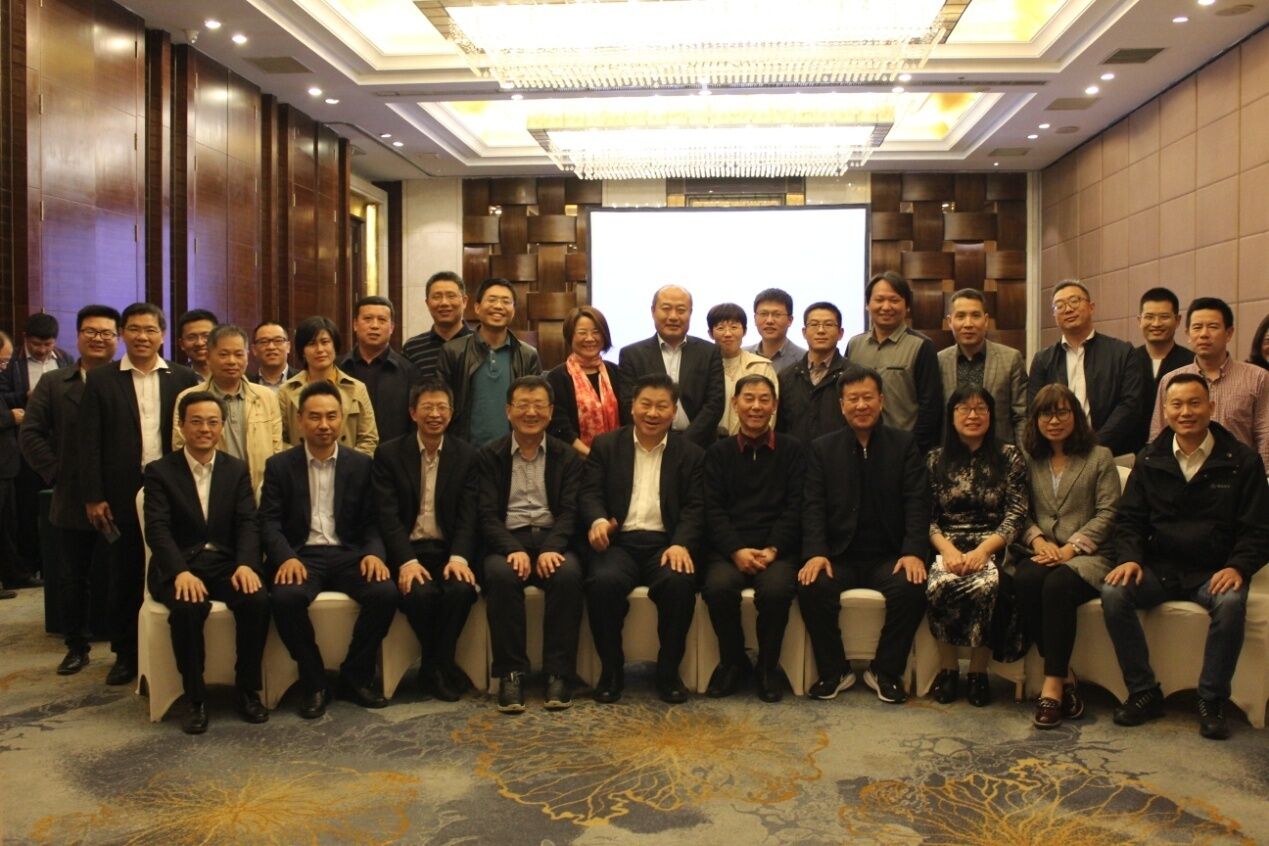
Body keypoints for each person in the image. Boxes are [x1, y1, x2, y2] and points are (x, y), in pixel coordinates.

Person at [1102, 374, 1269, 740]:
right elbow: (1129, 520)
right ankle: (1143, 691)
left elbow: (1258, 530)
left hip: (1214, 571)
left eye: (1195, 403)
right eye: (1177, 404)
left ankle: (1211, 699)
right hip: (1160, 568)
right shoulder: (1150, 458)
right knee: (1114, 593)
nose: (1186, 412)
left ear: (1212, 407)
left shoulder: (1242, 461)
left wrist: (1238, 567)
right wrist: (1129, 558)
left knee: (1230, 603)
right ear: (1165, 411)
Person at [80, 303, 201, 686]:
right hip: (120, 492)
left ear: (162, 336)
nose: (142, 337)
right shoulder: (101, 380)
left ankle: (171, 653)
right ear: (122, 334)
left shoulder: (183, 378)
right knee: (124, 572)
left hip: (174, 491)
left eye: (150, 330)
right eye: (134, 329)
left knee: (173, 566)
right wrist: (93, 495)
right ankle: (125, 654)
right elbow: (88, 442)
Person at [262, 381, 397, 718]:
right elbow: (269, 522)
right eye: (315, 417)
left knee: (384, 592)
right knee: (285, 598)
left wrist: (373, 553)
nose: (324, 425)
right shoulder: (279, 466)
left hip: (348, 553)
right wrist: (286, 557)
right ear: (300, 421)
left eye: (331, 416)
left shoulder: (361, 464)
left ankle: (355, 674)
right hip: (302, 555)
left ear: (341, 419)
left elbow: (373, 521)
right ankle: (314, 681)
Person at [798, 364, 929, 704]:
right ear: (841, 405)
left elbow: (917, 502)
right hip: (838, 555)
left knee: (912, 585)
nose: (861, 405)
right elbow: (812, 505)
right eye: (853, 399)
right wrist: (816, 552)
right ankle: (834, 671)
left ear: (881, 400)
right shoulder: (822, 449)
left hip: (889, 555)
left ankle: (885, 671)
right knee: (812, 584)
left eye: (867, 397)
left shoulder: (904, 445)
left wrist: (913, 551)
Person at [143, 391, 269, 734]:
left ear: (222, 427)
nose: (205, 429)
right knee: (187, 607)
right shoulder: (159, 472)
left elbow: (248, 522)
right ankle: (195, 697)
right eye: (196, 421)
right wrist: (180, 572)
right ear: (181, 426)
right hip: (179, 565)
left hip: (225, 563)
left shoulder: (235, 469)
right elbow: (157, 529)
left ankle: (247, 690)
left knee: (256, 599)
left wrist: (247, 564)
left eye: (213, 422)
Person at [583, 374, 705, 704]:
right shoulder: (606, 445)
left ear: (674, 411)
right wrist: (597, 521)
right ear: (632, 407)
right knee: (602, 582)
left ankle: (668, 673)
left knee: (679, 582)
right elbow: (590, 493)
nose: (652, 413)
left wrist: (681, 543)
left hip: (666, 544)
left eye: (661, 406)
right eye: (646, 404)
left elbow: (696, 507)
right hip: (618, 542)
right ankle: (611, 671)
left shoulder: (691, 453)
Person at [20, 305, 121, 671]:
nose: (98, 338)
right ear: (77, 336)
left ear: (117, 339)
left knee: (121, 575)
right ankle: (76, 645)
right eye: (91, 331)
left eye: (107, 333)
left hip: (120, 495)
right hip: (72, 497)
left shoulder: (125, 379)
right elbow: (31, 434)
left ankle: (124, 650)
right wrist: (58, 473)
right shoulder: (54, 383)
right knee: (72, 577)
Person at [1015, 384, 1119, 728]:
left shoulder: (1099, 457)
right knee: (1025, 579)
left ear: (1076, 415)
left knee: (1058, 585)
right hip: (1044, 551)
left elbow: (1108, 513)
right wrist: (1037, 541)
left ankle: (1052, 685)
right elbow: (1019, 510)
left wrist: (1070, 548)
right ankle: (1066, 677)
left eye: (1062, 412)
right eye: (1046, 413)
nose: (1054, 420)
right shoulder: (1029, 459)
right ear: (1035, 420)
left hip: (1088, 556)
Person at [478, 376, 584, 712]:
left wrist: (553, 547)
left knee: (568, 575)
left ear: (550, 412)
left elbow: (571, 511)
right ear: (508, 411)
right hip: (509, 539)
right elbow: (486, 515)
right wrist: (512, 548)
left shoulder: (567, 457)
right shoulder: (490, 455)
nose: (531, 412)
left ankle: (558, 673)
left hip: (554, 538)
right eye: (522, 405)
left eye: (539, 405)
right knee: (500, 576)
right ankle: (511, 674)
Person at [373, 378, 480, 702]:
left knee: (461, 590)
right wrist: (406, 562)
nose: (435, 414)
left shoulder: (466, 455)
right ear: (412, 412)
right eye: (427, 407)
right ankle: (441, 666)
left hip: (447, 551)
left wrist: (459, 558)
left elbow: (469, 516)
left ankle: (433, 665)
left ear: (452, 412)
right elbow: (387, 517)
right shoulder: (389, 454)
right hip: (408, 551)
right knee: (420, 594)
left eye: (442, 407)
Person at [702, 374, 804, 701]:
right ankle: (733, 662)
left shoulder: (793, 450)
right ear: (735, 404)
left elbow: (796, 507)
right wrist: (735, 550)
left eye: (764, 399)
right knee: (718, 587)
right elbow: (712, 509)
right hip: (729, 550)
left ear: (775, 405)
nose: (756, 406)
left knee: (776, 591)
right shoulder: (717, 453)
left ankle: (767, 667)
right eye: (748, 399)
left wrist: (773, 549)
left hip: (777, 550)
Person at [925, 387, 1028, 708]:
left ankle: (978, 672)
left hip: (994, 544)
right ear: (952, 415)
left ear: (991, 414)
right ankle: (948, 669)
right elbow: (925, 516)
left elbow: (1017, 513)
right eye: (964, 409)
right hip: (946, 544)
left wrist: (984, 551)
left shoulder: (1009, 456)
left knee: (989, 587)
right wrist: (946, 551)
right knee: (939, 583)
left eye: (980, 408)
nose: (973, 415)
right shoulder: (935, 459)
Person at [1149, 297, 1269, 471]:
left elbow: (1265, 434)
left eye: (1213, 327)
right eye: (1197, 327)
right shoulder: (1171, 381)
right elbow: (1158, 435)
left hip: (1239, 476)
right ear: (1188, 334)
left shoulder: (1258, 377)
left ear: (1229, 333)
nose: (1204, 334)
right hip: (1184, 476)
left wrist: (1263, 477)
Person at [1028, 280, 1142, 456]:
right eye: (1059, 305)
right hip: (1058, 455)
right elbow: (1035, 409)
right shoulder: (1043, 360)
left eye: (1074, 301)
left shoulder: (1122, 352)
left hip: (1111, 453)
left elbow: (1130, 405)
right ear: (1054, 315)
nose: (1068, 309)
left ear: (1091, 307)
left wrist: (1095, 446)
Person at [0, 312, 74, 580]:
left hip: (60, 444)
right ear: (25, 339)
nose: (42, 350)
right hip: (24, 446)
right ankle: (30, 565)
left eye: (47, 344)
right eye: (36, 344)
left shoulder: (65, 360)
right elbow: (3, 396)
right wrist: (26, 396)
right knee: (27, 510)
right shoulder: (12, 363)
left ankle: (55, 563)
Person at [173, 325, 284, 499]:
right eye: (223, 354)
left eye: (239, 354)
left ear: (247, 357)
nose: (232, 361)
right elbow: (180, 448)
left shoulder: (266, 397)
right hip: (208, 494)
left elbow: (277, 450)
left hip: (258, 493)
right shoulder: (189, 398)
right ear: (208, 357)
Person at [845, 272, 943, 452]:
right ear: (867, 304)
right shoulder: (854, 345)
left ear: (907, 306)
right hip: (859, 447)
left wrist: (915, 449)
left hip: (904, 449)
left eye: (894, 300)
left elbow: (930, 407)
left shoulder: (922, 346)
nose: (886, 306)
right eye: (879, 299)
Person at [437, 278, 541, 445]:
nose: (498, 306)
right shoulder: (453, 351)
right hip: (465, 451)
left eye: (506, 301)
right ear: (477, 307)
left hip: (512, 451)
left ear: (513, 310)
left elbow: (535, 407)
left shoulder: (528, 355)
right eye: (492, 300)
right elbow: (442, 405)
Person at [617, 285, 724, 448]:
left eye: (681, 310)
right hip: (649, 444)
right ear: (653, 311)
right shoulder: (631, 355)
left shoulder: (709, 352)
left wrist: (683, 444)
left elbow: (715, 404)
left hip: (699, 446)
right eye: (666, 309)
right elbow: (628, 404)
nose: (673, 316)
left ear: (690, 313)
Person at [936, 289, 1027, 444]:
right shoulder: (939, 361)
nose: (968, 324)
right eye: (961, 316)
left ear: (986, 320)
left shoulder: (1011, 359)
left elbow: (1022, 416)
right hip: (952, 453)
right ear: (950, 322)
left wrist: (1022, 455)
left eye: (975, 316)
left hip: (1000, 453)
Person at [278, 316, 378, 456]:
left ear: (334, 346)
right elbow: (278, 439)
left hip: (347, 466)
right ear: (302, 351)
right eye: (312, 344)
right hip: (300, 465)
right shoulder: (286, 390)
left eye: (325, 342)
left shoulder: (357, 388)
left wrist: (349, 464)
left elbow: (369, 438)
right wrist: (302, 460)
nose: (320, 349)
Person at [545, 306, 626, 457]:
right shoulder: (557, 377)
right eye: (582, 333)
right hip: (573, 460)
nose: (590, 338)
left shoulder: (616, 372)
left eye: (596, 332)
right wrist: (592, 456)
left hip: (616, 458)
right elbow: (559, 428)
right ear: (570, 336)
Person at [338, 295, 420, 444]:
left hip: (394, 455)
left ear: (391, 328)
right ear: (355, 324)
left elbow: (414, 423)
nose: (374, 326)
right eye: (368, 319)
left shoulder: (409, 372)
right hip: (346, 453)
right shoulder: (338, 368)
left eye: (382, 320)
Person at [776, 302, 848, 445]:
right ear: (804, 332)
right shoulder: (786, 376)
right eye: (814, 324)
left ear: (840, 333)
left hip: (838, 455)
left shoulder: (852, 375)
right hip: (796, 456)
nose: (821, 330)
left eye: (828, 324)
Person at [1132, 287, 1191, 453]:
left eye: (1164, 317)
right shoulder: (1126, 361)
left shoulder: (1191, 363)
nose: (1156, 324)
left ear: (1177, 320)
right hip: (1129, 453)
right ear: (1139, 320)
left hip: (1177, 452)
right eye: (1149, 317)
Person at [707, 303, 778, 437]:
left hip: (749, 443)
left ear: (744, 331)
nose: (728, 334)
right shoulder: (702, 365)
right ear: (710, 333)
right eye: (720, 328)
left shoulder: (761, 366)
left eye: (734, 327)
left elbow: (769, 414)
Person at [403, 271, 473, 380]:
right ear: (427, 303)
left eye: (451, 296)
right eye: (437, 297)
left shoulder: (480, 343)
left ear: (464, 301)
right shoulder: (412, 348)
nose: (444, 303)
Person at [745, 288, 806, 373]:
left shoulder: (803, 358)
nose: (769, 321)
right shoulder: (742, 356)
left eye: (777, 315)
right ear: (755, 319)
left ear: (790, 320)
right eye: (763, 314)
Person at [249, 321, 295, 390]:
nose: (271, 347)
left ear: (288, 347)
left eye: (278, 341)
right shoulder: (245, 384)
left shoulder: (303, 380)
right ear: (254, 349)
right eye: (264, 341)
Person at [175, 309, 218, 382]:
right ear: (181, 344)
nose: (199, 343)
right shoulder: (175, 379)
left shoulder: (233, 374)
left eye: (206, 336)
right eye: (191, 337)